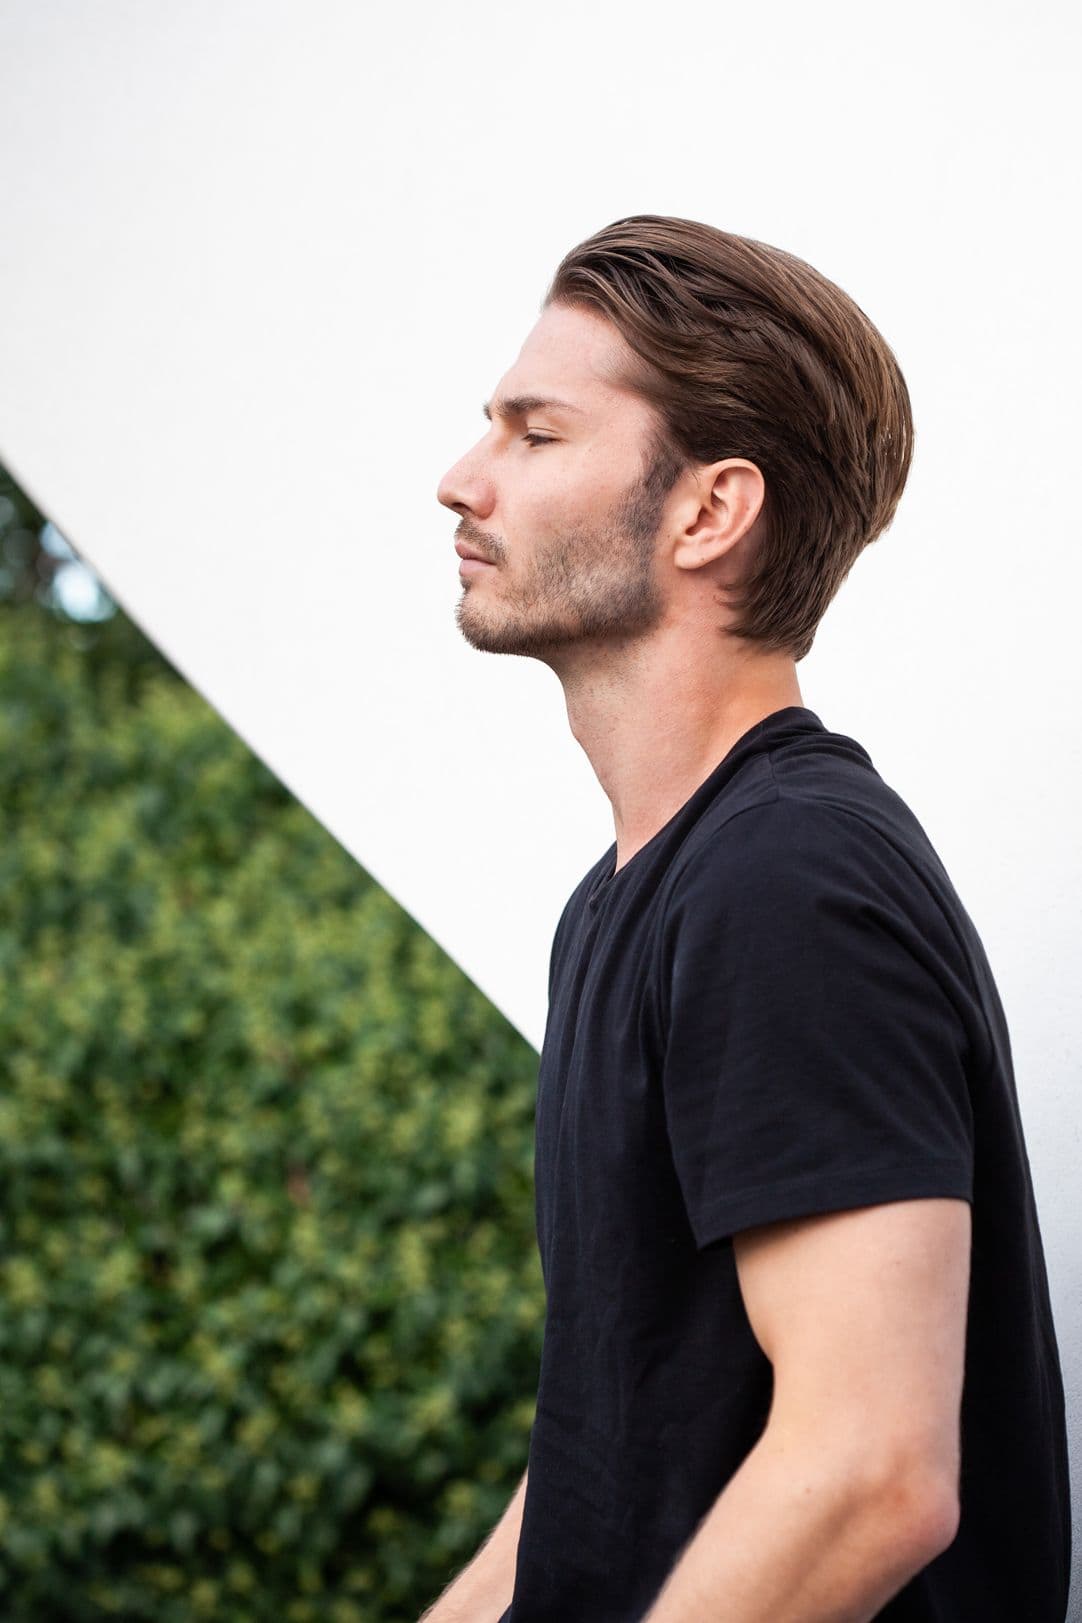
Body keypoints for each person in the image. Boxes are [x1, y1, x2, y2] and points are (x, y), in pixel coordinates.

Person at [425, 215, 1071, 1622]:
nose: (461, 479)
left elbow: (870, 1471)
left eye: (536, 433)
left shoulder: (785, 884)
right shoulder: (626, 901)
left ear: (708, 512)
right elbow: (606, 1449)